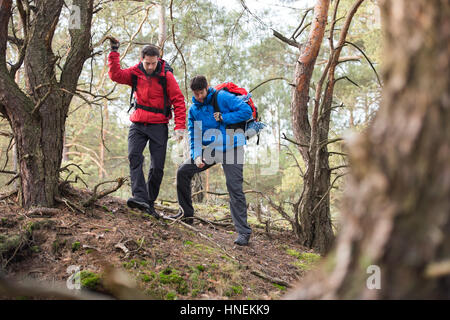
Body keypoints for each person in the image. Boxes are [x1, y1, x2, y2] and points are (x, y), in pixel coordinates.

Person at [169, 75, 253, 246]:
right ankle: (187, 215)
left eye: (201, 92)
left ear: (207, 88)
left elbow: (246, 111)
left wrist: (224, 117)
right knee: (183, 171)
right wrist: (197, 155)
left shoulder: (222, 97)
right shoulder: (194, 110)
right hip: (212, 149)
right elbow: (195, 135)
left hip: (232, 146)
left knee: (234, 187)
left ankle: (243, 232)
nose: (199, 96)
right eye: (196, 93)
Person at [107, 39, 186, 219]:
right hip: (138, 123)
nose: (150, 67)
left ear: (158, 59)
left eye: (153, 63)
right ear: (141, 59)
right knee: (134, 156)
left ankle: (149, 202)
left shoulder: (166, 76)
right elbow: (115, 75)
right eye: (147, 63)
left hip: (159, 124)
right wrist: (113, 52)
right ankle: (139, 196)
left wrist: (179, 127)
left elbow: (178, 101)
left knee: (157, 167)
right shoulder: (135, 72)